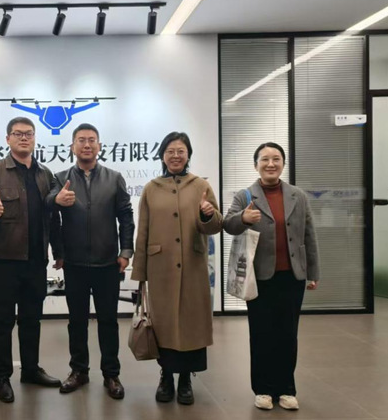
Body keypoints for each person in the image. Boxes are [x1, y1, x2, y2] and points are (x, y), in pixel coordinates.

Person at [222, 142, 320, 411]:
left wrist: (313, 272)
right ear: (256, 165)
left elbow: (309, 235)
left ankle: (286, 388)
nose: (271, 164)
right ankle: (263, 389)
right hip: (259, 277)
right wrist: (244, 218)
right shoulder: (245, 195)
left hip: (292, 276)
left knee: (288, 334)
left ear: (283, 163)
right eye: (265, 159)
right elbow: (227, 224)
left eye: (276, 158)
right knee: (262, 333)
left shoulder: (298, 196)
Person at [131, 132, 222, 405]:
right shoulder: (151, 188)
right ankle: (166, 377)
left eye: (181, 151)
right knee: (164, 325)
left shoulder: (201, 185)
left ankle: (185, 379)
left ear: (188, 154)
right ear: (162, 155)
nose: (175, 156)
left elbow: (216, 225)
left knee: (191, 324)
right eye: (170, 151)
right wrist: (140, 272)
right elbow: (142, 231)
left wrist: (207, 213)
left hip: (193, 267)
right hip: (160, 268)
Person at [47, 123, 135, 399]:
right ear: (72, 146)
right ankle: (79, 371)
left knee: (108, 321)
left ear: (99, 146)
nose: (87, 145)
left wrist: (126, 251)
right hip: (74, 263)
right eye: (81, 140)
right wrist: (59, 252)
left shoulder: (114, 178)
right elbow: (50, 213)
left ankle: (111, 374)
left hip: (107, 263)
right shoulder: (60, 178)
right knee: (77, 321)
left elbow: (126, 216)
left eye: (92, 140)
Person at [0, 117, 62, 403]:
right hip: (5, 259)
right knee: (2, 321)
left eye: (29, 134)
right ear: (8, 139)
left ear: (35, 138)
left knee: (31, 319)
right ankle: (2, 377)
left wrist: (58, 251)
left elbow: (53, 216)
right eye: (18, 134)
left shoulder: (45, 174)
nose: (24, 138)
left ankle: (30, 370)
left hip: (36, 259)